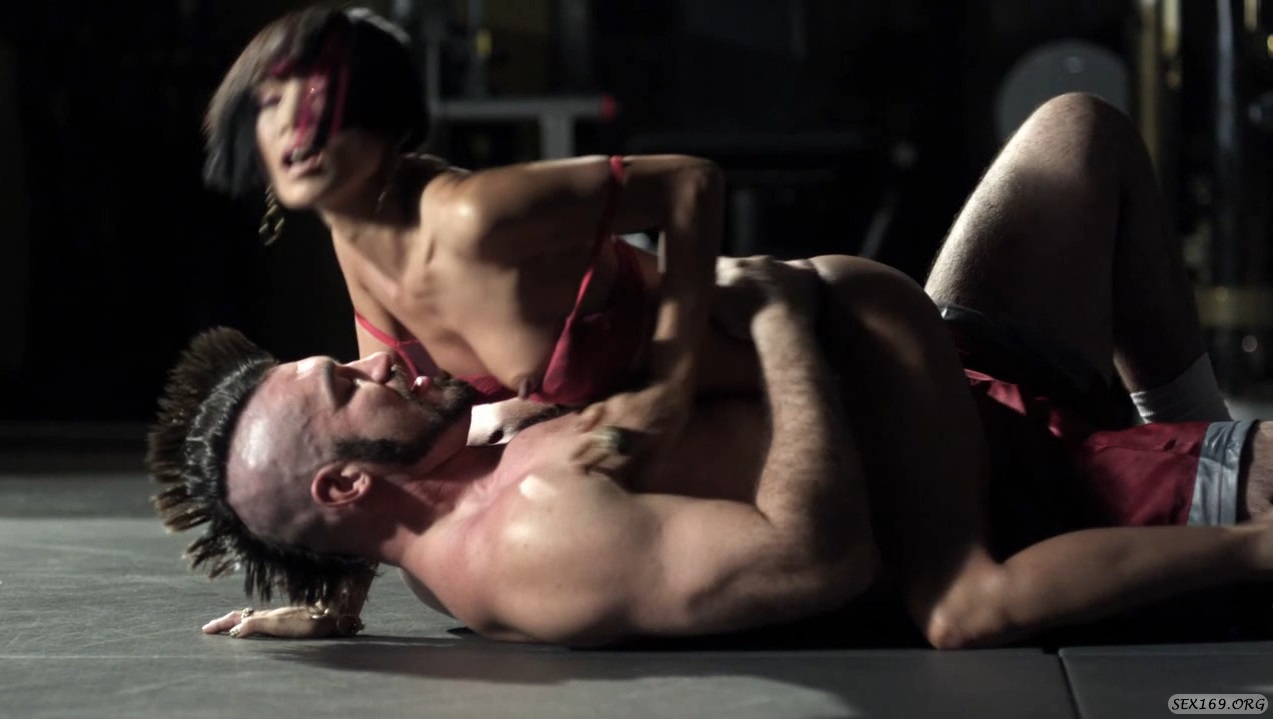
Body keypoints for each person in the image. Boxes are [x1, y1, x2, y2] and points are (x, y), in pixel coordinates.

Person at [150, 93, 1273, 648]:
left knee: (1076, 134)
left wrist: (329, 588)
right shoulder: (529, 539)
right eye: (345, 383)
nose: (371, 364)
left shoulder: (438, 461)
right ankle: (1204, 479)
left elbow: (357, 498)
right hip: (1031, 488)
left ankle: (1191, 418)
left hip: (945, 372)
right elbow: (815, 557)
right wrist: (780, 323)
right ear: (347, 479)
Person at [203, 5, 753, 477]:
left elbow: (690, 182)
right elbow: (396, 436)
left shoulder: (471, 216)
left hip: (778, 354)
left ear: (384, 112)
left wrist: (669, 389)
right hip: (710, 446)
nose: (293, 125)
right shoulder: (354, 249)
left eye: (318, 94)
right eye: (269, 101)